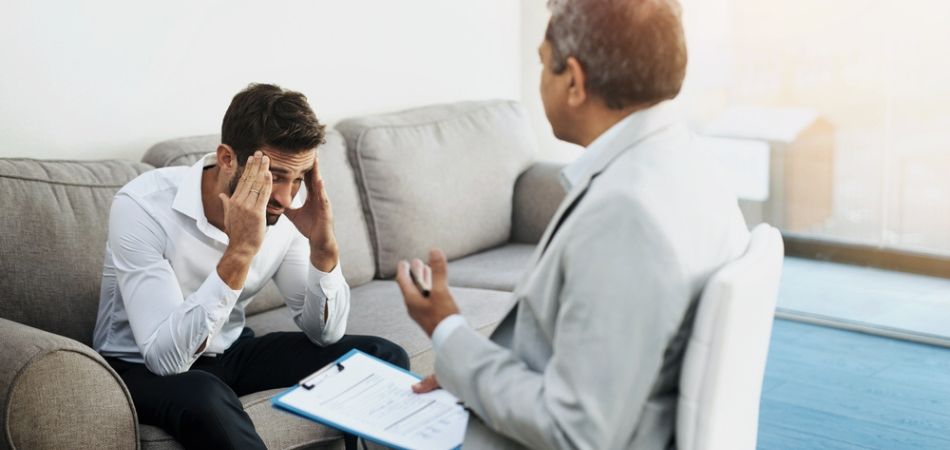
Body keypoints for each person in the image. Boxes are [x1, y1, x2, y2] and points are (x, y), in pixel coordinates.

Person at [395, 0, 751, 448]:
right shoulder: (692, 163)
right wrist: (468, 374)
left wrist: (446, 328)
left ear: (575, 82)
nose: (540, 77)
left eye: (544, 64)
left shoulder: (625, 215)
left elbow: (576, 430)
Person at [93, 83, 409, 449]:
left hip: (231, 350)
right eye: (274, 175)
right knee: (204, 393)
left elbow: (325, 335)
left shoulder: (288, 209)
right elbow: (166, 359)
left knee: (381, 358)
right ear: (227, 158)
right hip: (138, 365)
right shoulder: (142, 206)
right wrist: (240, 251)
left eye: (298, 178)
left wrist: (323, 249)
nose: (286, 197)